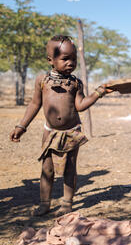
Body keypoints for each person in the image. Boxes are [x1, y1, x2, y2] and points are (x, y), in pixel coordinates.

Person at [9, 35, 113, 217]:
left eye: (73, 59)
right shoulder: (42, 81)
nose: (70, 63)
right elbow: (34, 104)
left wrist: (98, 93)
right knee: (47, 169)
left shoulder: (75, 83)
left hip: (72, 131)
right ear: (50, 60)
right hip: (50, 132)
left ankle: (67, 203)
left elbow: (80, 106)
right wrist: (21, 126)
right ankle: (45, 203)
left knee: (70, 169)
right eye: (65, 59)